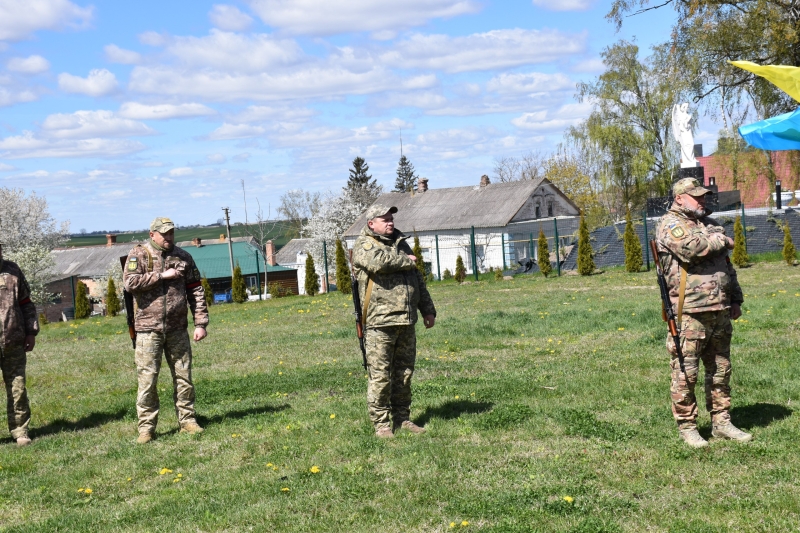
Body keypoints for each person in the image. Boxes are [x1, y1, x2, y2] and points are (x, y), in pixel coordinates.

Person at [655, 178, 750, 448]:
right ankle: (688, 427)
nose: (702, 200)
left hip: (719, 307)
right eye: (696, 196)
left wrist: (735, 299)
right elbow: (694, 248)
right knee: (686, 373)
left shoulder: (707, 224)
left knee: (720, 369)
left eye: (704, 196)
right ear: (679, 198)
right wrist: (721, 238)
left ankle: (721, 422)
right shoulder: (670, 225)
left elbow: (726, 266)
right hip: (690, 311)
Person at [353, 204, 436, 438]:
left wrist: (427, 309)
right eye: (384, 219)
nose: (390, 222)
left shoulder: (400, 242)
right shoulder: (365, 244)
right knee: (380, 375)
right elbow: (379, 263)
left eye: (391, 218)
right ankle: (381, 424)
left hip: (406, 319)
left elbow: (417, 278)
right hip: (380, 322)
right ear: (371, 224)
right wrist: (407, 259)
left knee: (404, 373)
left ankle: (403, 419)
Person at [123, 217, 208, 443]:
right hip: (147, 329)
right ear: (152, 235)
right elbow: (130, 283)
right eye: (164, 234)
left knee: (183, 376)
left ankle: (188, 421)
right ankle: (146, 429)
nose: (169, 238)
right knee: (147, 380)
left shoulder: (183, 257)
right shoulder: (138, 255)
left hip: (177, 328)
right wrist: (161, 276)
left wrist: (200, 323)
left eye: (171, 233)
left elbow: (196, 291)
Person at [0, 244, 38, 446]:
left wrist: (31, 332)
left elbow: (26, 303)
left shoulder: (13, 271)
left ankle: (20, 431)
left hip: (13, 341)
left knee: (17, 388)